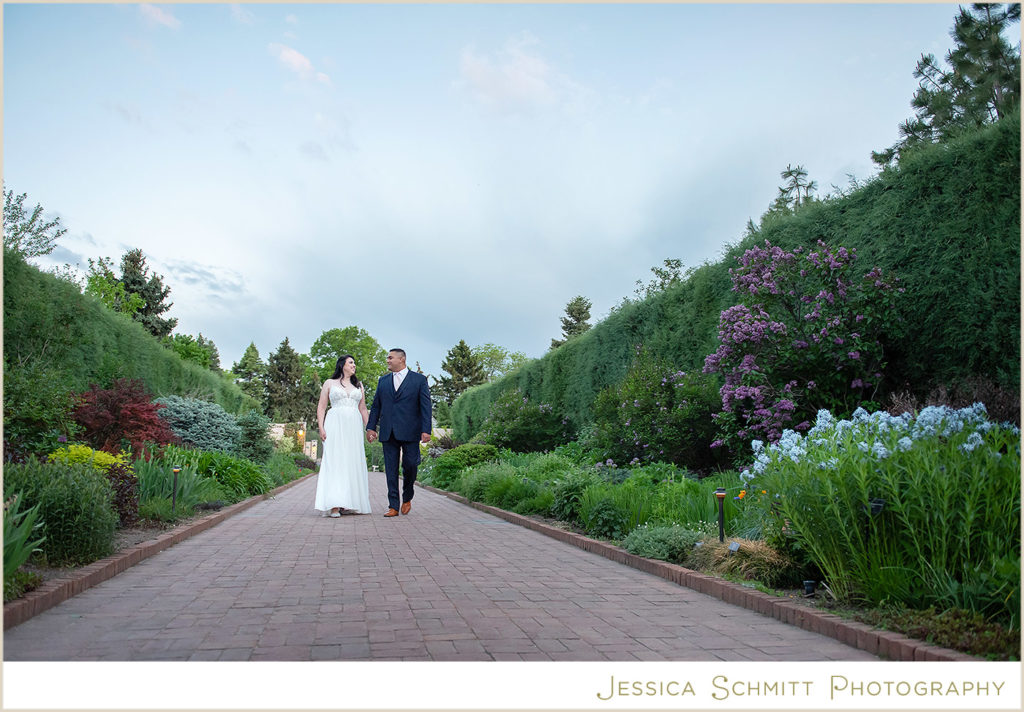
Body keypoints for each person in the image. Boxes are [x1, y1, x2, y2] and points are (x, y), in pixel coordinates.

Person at [366, 348, 432, 517]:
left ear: (401, 360)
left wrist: (426, 430)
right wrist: (371, 427)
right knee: (391, 469)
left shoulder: (419, 380)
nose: (387, 360)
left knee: (410, 464)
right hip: (388, 431)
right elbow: (376, 407)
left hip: (411, 431)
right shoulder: (383, 381)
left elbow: (425, 406)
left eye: (390, 357)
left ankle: (408, 496)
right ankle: (393, 506)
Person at [313, 355, 372, 517]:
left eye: (354, 362)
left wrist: (370, 428)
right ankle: (334, 504)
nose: (354, 365)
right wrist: (321, 427)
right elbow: (321, 406)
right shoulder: (329, 383)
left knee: (352, 461)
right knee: (336, 460)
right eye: (351, 362)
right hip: (334, 424)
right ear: (342, 365)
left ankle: (350, 501)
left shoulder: (358, 385)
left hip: (353, 426)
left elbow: (363, 408)